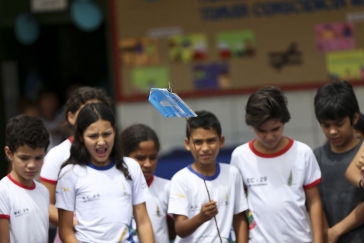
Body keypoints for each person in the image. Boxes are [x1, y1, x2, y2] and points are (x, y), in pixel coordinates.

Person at [231, 86, 323, 243]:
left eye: (275, 129)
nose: (269, 136)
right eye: (261, 131)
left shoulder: (302, 153)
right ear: (251, 125)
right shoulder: (240, 156)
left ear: (284, 122)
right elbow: (239, 209)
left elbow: (314, 201)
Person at [55, 102, 154, 243]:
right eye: (93, 136)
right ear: (81, 137)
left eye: (107, 134)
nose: (101, 142)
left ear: (114, 131)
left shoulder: (131, 167)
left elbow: (143, 221)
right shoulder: (69, 173)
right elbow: (65, 229)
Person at [39, 86, 112, 243]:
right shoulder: (58, 156)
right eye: (87, 112)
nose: (94, 117)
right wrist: (76, 224)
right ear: (71, 117)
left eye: (100, 110)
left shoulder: (117, 156)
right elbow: (45, 205)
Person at [168, 110, 249, 243]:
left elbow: (240, 219)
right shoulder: (180, 179)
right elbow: (180, 229)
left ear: (221, 141)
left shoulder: (232, 173)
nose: (205, 148)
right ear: (187, 144)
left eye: (211, 140)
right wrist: (201, 217)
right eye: (198, 142)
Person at [314, 80, 364, 243]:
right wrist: (325, 234)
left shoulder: (362, 153)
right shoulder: (315, 158)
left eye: (339, 124)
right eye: (326, 125)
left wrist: (337, 230)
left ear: (354, 117)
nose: (333, 131)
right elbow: (315, 203)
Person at [120, 124, 176, 243]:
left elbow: (181, 227)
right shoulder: (115, 189)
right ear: (123, 156)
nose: (148, 164)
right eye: (140, 158)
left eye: (153, 157)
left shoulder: (167, 187)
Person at [0, 115, 50, 242]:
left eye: (38, 158)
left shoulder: (43, 191)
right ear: (9, 153)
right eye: (24, 158)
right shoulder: (3, 191)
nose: (32, 165)